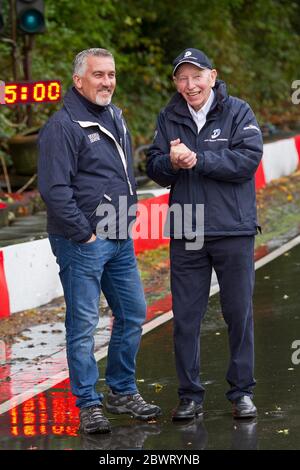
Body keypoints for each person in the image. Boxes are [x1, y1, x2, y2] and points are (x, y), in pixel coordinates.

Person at [38, 48, 161, 434]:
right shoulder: (63, 126)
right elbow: (55, 190)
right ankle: (88, 403)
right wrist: (85, 234)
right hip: (83, 241)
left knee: (133, 313)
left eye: (111, 74)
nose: (107, 81)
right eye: (98, 75)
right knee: (84, 324)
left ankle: (121, 390)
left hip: (120, 237)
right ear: (78, 81)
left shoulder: (115, 116)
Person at [146, 48, 263, 420]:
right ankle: (190, 396)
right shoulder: (169, 116)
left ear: (212, 76)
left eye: (197, 76)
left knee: (238, 313)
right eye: (182, 77)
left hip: (233, 229)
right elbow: (154, 167)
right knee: (186, 317)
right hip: (187, 232)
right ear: (176, 82)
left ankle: (242, 392)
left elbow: (247, 160)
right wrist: (171, 162)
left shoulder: (238, 111)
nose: (190, 84)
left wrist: (198, 158)